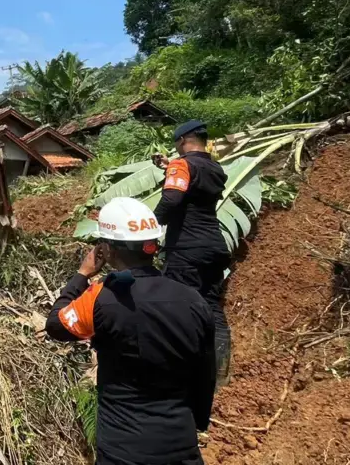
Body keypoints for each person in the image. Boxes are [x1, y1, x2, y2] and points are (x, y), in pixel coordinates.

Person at [44, 197, 216, 465]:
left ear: (108, 250)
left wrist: (81, 275)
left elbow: (56, 325)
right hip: (180, 443)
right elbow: (205, 373)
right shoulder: (193, 300)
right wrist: (198, 421)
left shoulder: (102, 297)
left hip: (123, 448)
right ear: (152, 247)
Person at [152, 119, 232, 384]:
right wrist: (170, 167)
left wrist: (150, 225)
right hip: (214, 247)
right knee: (211, 308)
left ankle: (177, 374)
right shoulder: (215, 167)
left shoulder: (182, 164)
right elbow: (195, 185)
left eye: (176, 145)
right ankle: (219, 375)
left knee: (174, 308)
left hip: (186, 249)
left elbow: (172, 199)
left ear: (183, 140)